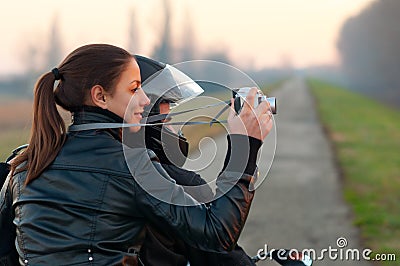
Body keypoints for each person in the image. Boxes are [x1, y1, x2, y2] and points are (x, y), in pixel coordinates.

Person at [0, 44, 273, 265]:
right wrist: (244, 146)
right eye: (134, 89)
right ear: (100, 96)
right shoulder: (132, 164)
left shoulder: (22, 164)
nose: (145, 99)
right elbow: (215, 234)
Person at [133, 55, 259, 265]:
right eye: (168, 118)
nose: (174, 128)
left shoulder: (87, 166)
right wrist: (246, 146)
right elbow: (222, 253)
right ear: (144, 112)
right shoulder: (180, 185)